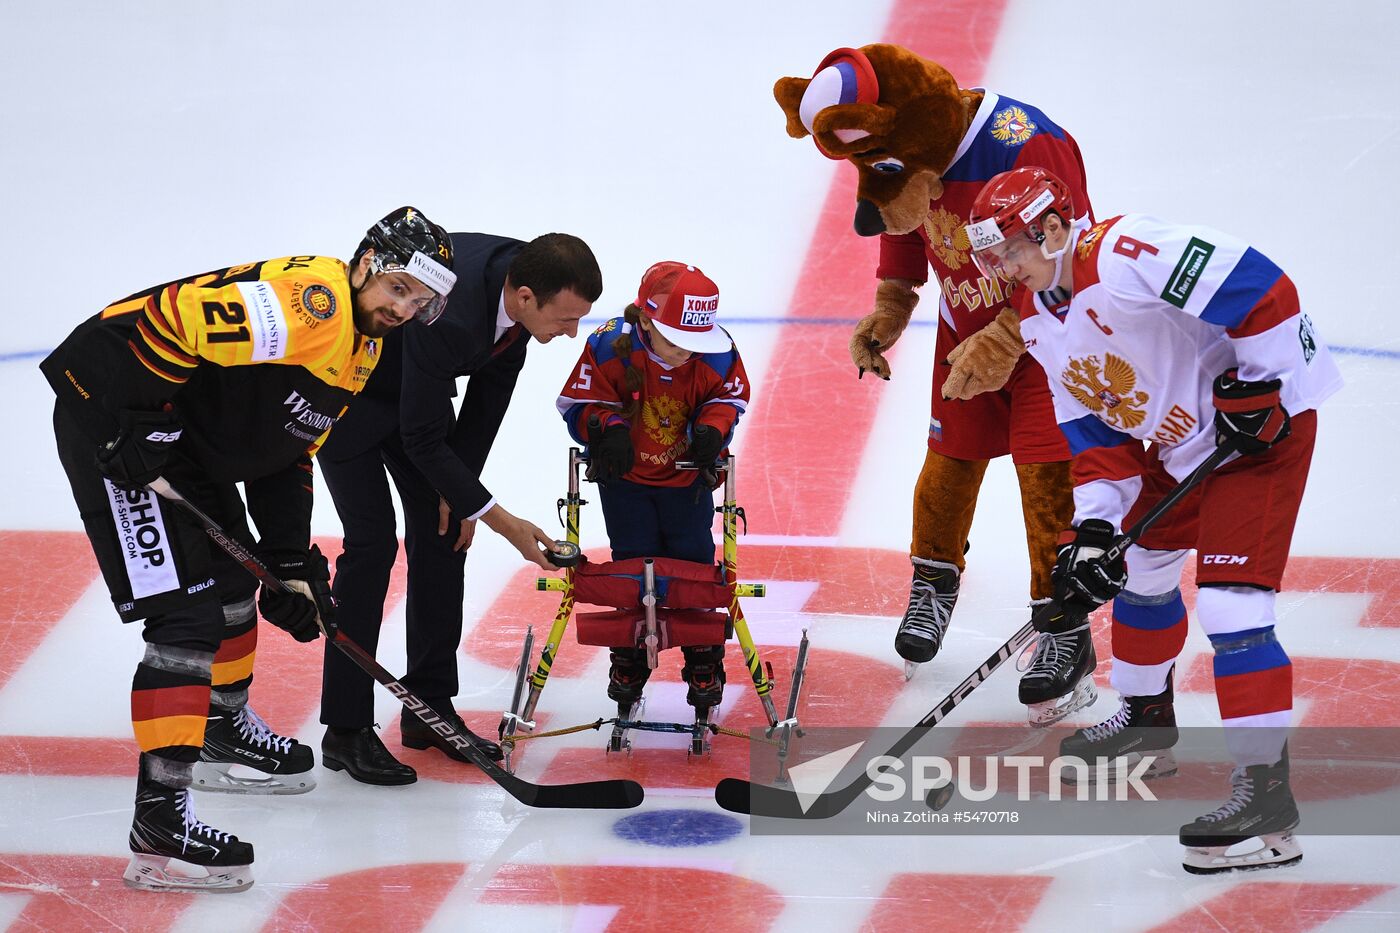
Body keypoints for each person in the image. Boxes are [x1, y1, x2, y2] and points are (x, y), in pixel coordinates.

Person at [41, 206, 456, 891]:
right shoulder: (315, 303)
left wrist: (288, 557)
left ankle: (219, 725)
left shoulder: (363, 346)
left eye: (421, 301)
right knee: (186, 619)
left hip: (174, 434)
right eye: (398, 288)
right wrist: (138, 419)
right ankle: (160, 820)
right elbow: (174, 316)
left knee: (236, 574)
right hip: (112, 423)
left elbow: (287, 451)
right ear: (365, 265)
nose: (405, 308)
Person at [965, 167, 1343, 873]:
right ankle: (1145, 721)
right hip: (1181, 445)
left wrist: (1259, 380)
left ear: (1051, 226)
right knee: (1137, 569)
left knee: (1233, 609)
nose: (1001, 268)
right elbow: (1097, 439)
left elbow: (1263, 288)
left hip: (1263, 431)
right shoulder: (1039, 316)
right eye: (992, 255)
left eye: (1009, 249)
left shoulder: (1125, 250)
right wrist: (1095, 532)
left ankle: (1268, 802)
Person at [317, 231, 602, 785]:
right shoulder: (451, 314)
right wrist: (503, 521)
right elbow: (423, 438)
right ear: (523, 297)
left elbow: (487, 399)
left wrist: (463, 496)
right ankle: (345, 729)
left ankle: (428, 708)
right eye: (566, 320)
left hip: (416, 394)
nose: (571, 334)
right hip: (349, 397)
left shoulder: (524, 285)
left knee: (446, 532)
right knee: (372, 547)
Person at [556, 262, 750, 725]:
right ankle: (629, 655)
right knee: (631, 564)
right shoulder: (607, 346)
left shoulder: (717, 354)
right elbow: (577, 403)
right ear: (645, 321)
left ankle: (704, 658)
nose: (688, 354)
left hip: (686, 485)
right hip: (625, 483)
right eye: (677, 341)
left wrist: (712, 428)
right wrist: (607, 428)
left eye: (695, 343)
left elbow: (731, 398)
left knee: (695, 567)